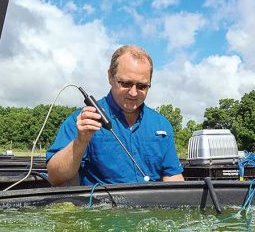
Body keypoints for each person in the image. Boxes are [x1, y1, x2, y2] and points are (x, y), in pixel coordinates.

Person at [46, 45, 185, 186]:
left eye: (142, 86)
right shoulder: (83, 121)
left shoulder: (161, 125)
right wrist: (80, 142)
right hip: (102, 206)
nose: (133, 93)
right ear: (110, 77)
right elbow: (55, 177)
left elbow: (173, 177)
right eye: (126, 83)